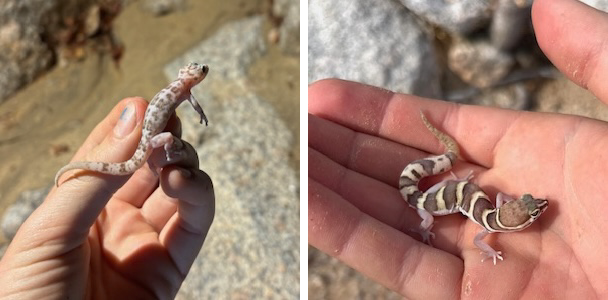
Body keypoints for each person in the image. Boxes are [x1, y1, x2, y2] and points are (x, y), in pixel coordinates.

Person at [309, 0, 608, 298]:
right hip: (423, 201)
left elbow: (483, 235)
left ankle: (444, 175)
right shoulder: (489, 222)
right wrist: (443, 222)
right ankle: (437, 191)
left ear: (515, 221)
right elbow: (493, 215)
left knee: (443, 201)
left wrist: (480, 223)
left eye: (531, 211)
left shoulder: (487, 228)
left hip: (448, 194)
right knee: (428, 218)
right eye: (532, 207)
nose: (538, 205)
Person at [0, 97, 215, 299]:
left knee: (168, 157)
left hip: (147, 141)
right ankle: (163, 152)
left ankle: (161, 154)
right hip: (148, 141)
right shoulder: (187, 92)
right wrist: (196, 119)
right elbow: (195, 107)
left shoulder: (181, 87)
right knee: (168, 143)